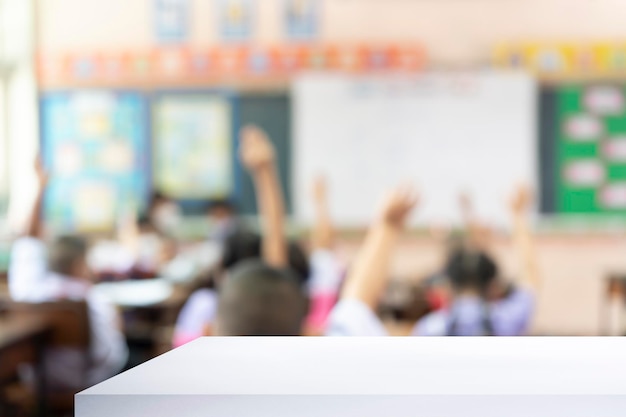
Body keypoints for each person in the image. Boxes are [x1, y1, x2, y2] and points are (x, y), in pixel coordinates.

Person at [8, 158, 128, 390]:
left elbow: (28, 240)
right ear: (79, 265)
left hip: (38, 386)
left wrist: (41, 187)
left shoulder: (27, 287)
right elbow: (108, 356)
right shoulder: (93, 300)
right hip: (88, 386)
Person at [412, 186, 538, 336]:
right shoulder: (507, 320)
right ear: (494, 286)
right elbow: (530, 278)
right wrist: (518, 215)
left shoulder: (429, 328)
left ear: (448, 284)